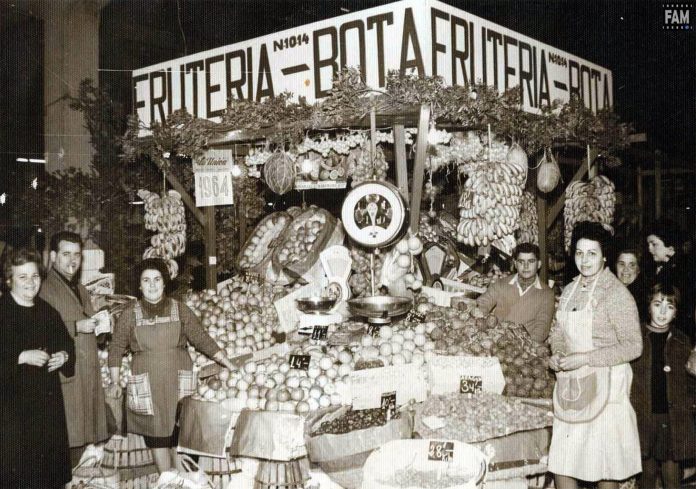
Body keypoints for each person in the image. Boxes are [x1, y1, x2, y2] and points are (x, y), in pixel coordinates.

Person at [108, 258, 236, 473]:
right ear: (139, 285)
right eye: (146, 280)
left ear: (164, 282)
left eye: (157, 279)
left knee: (181, 437)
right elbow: (116, 348)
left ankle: (184, 482)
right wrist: (114, 381)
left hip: (179, 382)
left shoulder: (180, 310)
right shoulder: (130, 314)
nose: (152, 285)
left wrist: (228, 363)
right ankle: (166, 480)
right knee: (157, 438)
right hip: (148, 384)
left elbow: (202, 339)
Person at [548, 221, 643, 489]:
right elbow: (557, 332)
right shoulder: (569, 291)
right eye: (579, 253)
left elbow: (633, 346)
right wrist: (556, 353)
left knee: (604, 465)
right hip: (572, 387)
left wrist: (586, 358)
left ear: (604, 256)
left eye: (592, 253)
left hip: (607, 388)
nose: (585, 260)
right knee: (563, 462)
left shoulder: (616, 294)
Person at [0, 248, 75, 489]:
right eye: (23, 277)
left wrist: (63, 355)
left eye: (34, 276)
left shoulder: (47, 311)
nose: (31, 283)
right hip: (11, 412)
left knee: (48, 477)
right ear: (9, 280)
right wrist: (20, 356)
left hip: (46, 410)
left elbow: (66, 342)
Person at [39, 231, 108, 465]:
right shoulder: (44, 289)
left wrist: (101, 325)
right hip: (66, 377)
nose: (73, 260)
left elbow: (91, 331)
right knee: (67, 444)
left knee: (82, 444)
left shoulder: (81, 289)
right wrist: (77, 326)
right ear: (53, 256)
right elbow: (41, 330)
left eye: (77, 255)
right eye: (66, 254)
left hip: (86, 375)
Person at [630, 282, 696, 489]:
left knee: (671, 472)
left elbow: (690, 381)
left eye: (670, 307)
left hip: (672, 418)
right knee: (647, 471)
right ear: (648, 306)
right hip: (643, 415)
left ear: (676, 313)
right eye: (658, 304)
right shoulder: (636, 337)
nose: (662, 312)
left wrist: (689, 404)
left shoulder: (682, 341)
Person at [475, 242, 555, 342]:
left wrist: (527, 347)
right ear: (515, 264)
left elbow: (542, 327)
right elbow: (483, 303)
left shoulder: (546, 294)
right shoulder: (501, 284)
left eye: (531, 261)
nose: (526, 266)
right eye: (521, 262)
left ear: (539, 264)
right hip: (495, 341)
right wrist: (481, 315)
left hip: (524, 346)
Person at [645, 218, 694, 343]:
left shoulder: (683, 272)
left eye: (654, 244)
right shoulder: (660, 268)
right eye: (648, 244)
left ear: (670, 247)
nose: (649, 249)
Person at [614, 246, 646, 321]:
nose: (626, 269)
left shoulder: (643, 299)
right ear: (616, 266)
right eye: (622, 264)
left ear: (638, 270)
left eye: (632, 265)